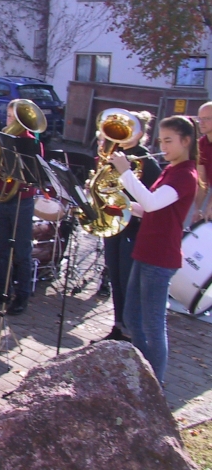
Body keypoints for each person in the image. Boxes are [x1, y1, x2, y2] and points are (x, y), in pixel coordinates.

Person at [110, 115, 198, 385]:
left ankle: (154, 385)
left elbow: (151, 203)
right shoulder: (170, 170)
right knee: (131, 317)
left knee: (152, 326)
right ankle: (143, 375)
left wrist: (125, 172)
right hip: (145, 252)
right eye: (161, 141)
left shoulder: (186, 175)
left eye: (169, 141)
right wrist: (120, 205)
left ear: (186, 141)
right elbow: (150, 209)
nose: (164, 147)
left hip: (160, 258)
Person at [100, 111, 162, 342]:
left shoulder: (147, 161)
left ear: (139, 133)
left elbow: (153, 200)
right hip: (113, 225)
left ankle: (129, 333)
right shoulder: (115, 155)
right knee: (115, 279)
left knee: (126, 282)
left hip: (133, 229)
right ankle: (118, 327)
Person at [0, 99, 42, 316]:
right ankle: (3, 289)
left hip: (22, 201)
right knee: (1, 249)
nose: (9, 121)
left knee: (22, 251)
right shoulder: (1, 138)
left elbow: (33, 173)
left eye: (14, 118)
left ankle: (22, 295)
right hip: (3, 198)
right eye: (8, 116)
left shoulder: (30, 142)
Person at [192, 101, 212, 222]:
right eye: (200, 118)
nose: (201, 122)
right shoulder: (201, 144)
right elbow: (202, 182)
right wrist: (197, 209)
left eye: (206, 118)